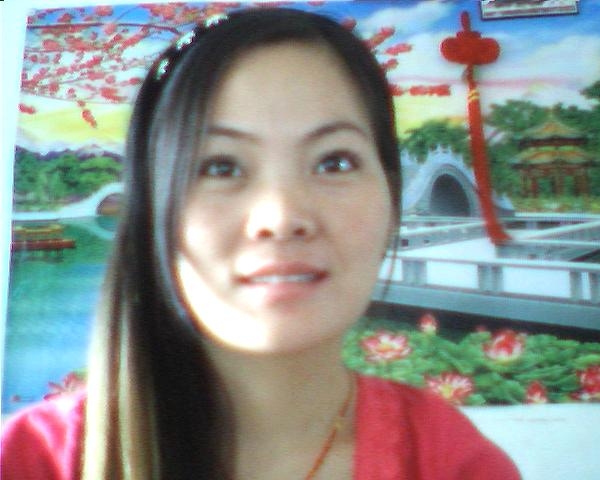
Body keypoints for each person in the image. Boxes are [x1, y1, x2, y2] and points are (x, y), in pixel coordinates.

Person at [1, 8, 520, 480]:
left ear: (391, 197)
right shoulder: (31, 460)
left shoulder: (451, 464)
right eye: (221, 167)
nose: (282, 217)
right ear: (153, 212)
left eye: (335, 161)